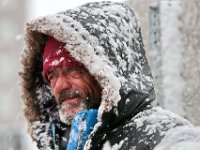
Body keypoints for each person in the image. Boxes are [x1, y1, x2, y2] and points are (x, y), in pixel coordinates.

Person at [19, 1, 197, 150]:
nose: (59, 86)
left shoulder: (159, 135)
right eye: (52, 76)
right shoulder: (66, 142)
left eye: (73, 71)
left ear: (108, 71)